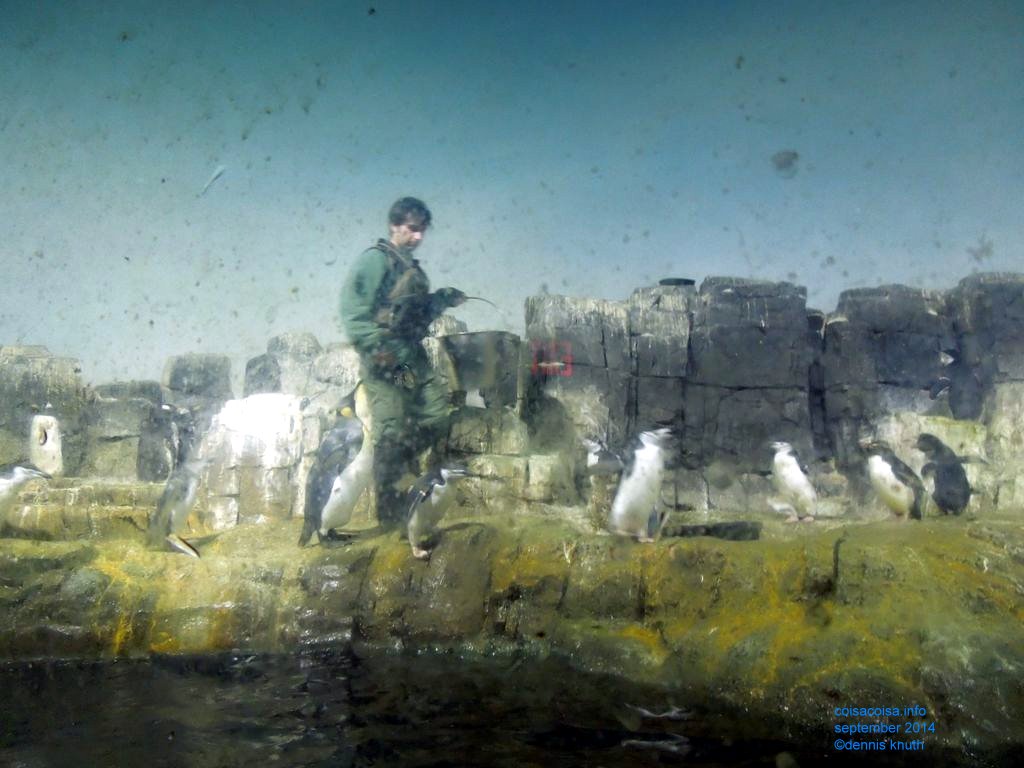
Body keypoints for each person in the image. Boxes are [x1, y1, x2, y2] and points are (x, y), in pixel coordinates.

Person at [339, 197, 466, 525]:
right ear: (394, 225)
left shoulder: (412, 270)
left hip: (413, 357)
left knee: (436, 417)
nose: (418, 236)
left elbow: (417, 312)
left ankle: (405, 478)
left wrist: (442, 299)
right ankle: (390, 514)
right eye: (412, 229)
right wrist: (376, 348)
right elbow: (353, 313)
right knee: (392, 431)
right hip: (384, 359)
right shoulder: (374, 262)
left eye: (422, 230)